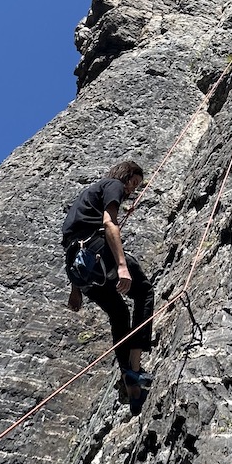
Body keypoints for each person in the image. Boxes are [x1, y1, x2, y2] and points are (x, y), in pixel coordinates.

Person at [61, 161, 154, 414]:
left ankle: (127, 376)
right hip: (98, 253)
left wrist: (76, 288)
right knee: (144, 291)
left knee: (119, 313)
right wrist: (122, 266)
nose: (132, 190)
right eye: (133, 183)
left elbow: (70, 245)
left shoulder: (83, 201)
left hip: (81, 269)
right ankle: (134, 368)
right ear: (125, 176)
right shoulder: (112, 185)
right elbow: (109, 223)